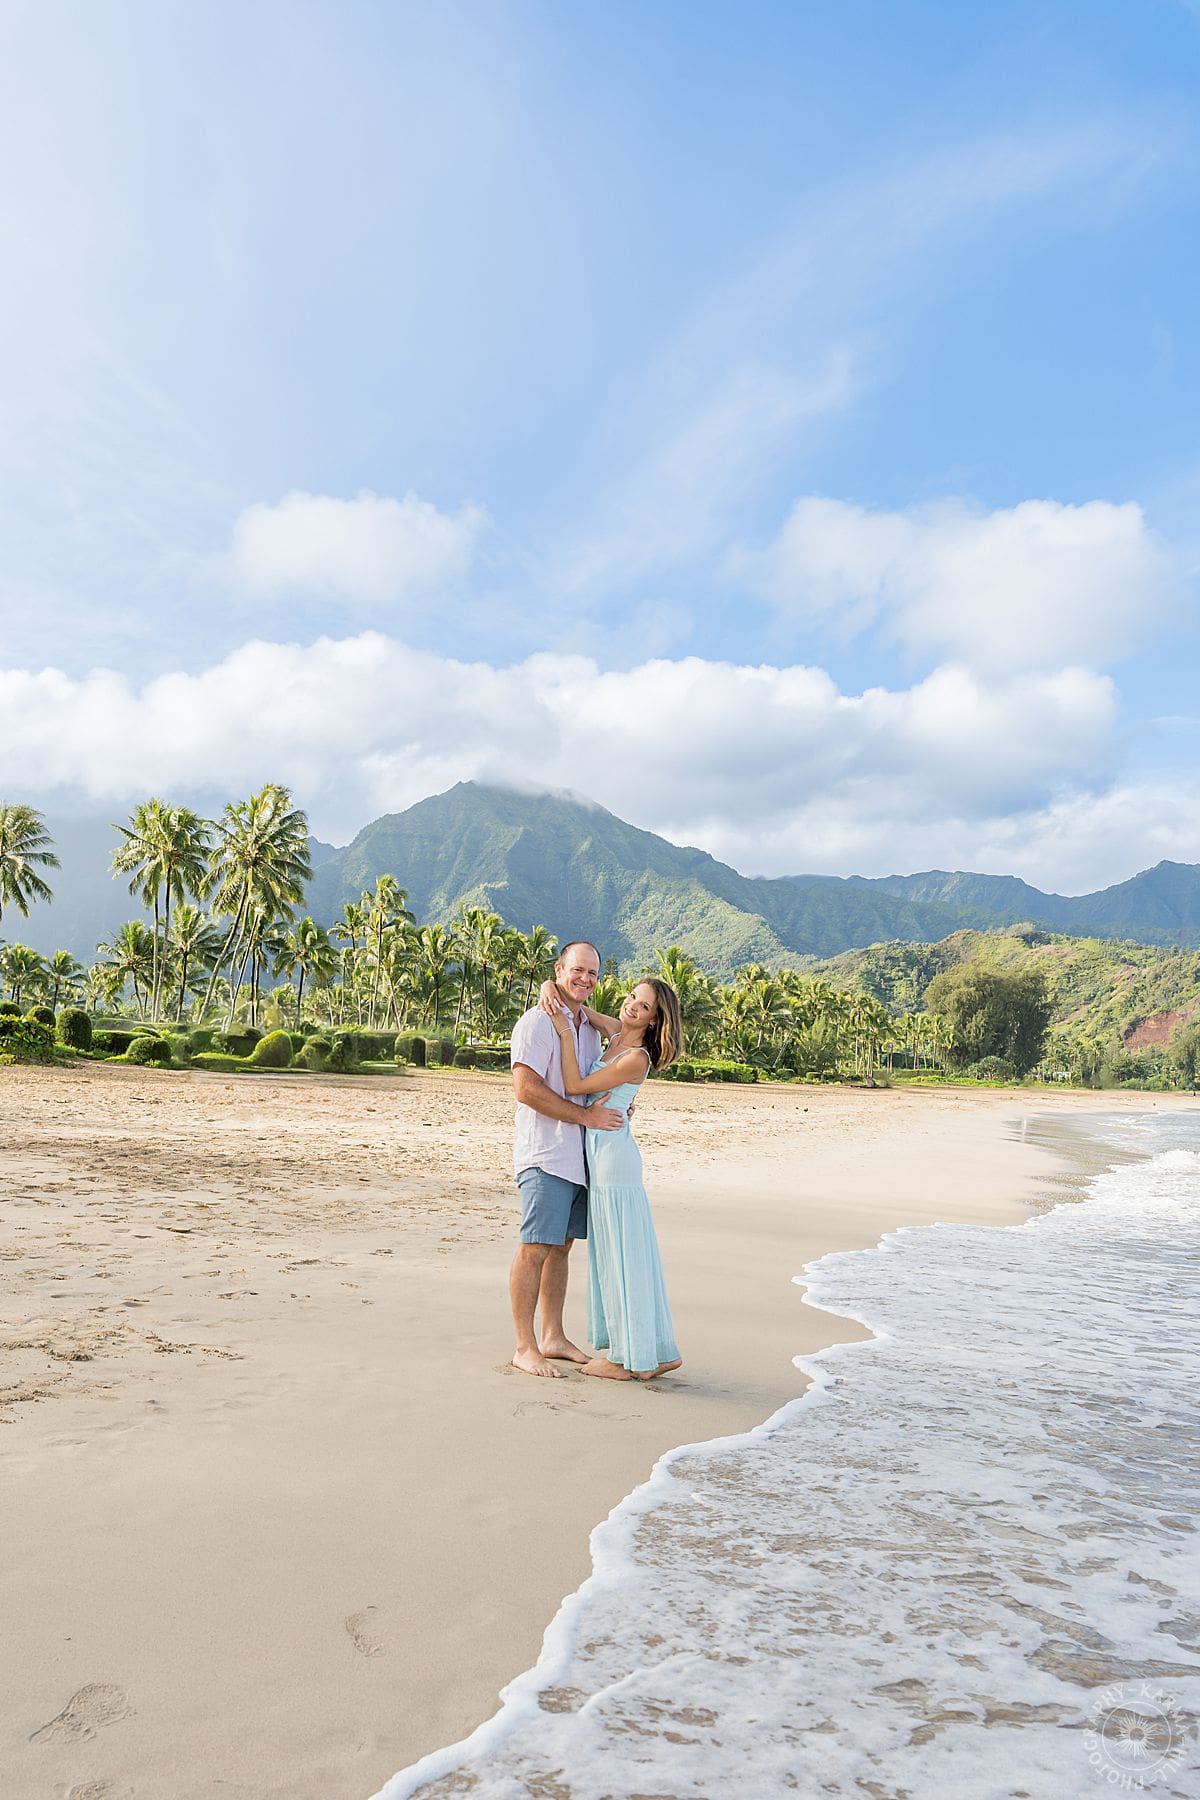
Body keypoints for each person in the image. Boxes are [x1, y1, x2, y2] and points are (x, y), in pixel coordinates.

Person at [543, 976, 684, 1381]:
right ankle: (653, 1351)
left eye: (644, 1006)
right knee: (619, 1253)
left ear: (656, 1020)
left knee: (621, 1255)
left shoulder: (635, 1056)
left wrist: (565, 1035)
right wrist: (548, 988)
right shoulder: (617, 1032)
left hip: (612, 1162)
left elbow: (575, 1085)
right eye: (632, 998)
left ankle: (629, 1359)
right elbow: (580, 1007)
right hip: (603, 1154)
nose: (632, 1007)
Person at [508, 940, 623, 1379]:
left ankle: (553, 1336)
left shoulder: (587, 1028)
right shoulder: (537, 1022)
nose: (585, 979)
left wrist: (581, 1011)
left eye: (593, 974)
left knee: (561, 1248)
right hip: (545, 1154)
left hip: (579, 1157)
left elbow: (621, 1034)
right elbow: (526, 1090)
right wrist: (586, 1116)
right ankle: (525, 1346)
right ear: (559, 969)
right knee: (535, 1247)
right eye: (577, 971)